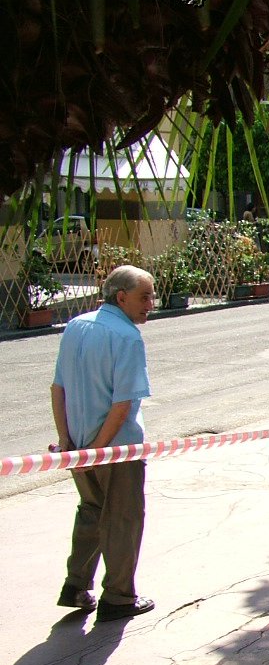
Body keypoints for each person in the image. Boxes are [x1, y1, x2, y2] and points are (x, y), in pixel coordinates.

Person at [51, 265, 157, 623]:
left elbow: (58, 388)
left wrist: (70, 443)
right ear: (121, 297)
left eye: (153, 295)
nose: (151, 304)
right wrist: (99, 449)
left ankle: (76, 585)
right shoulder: (127, 338)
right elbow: (123, 403)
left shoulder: (77, 326)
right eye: (145, 297)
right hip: (116, 449)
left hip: (80, 446)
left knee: (92, 511)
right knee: (123, 519)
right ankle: (118, 597)